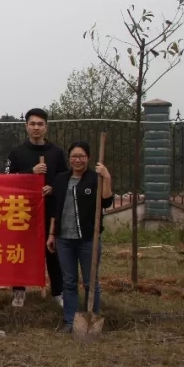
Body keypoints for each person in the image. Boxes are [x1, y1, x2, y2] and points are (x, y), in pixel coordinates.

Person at [5, 108, 69, 308]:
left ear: (46, 127)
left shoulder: (56, 152)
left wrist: (53, 187)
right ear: (26, 126)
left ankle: (58, 292)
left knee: (52, 250)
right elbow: (8, 180)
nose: (36, 128)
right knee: (20, 250)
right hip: (23, 210)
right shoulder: (17, 152)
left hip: (50, 209)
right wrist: (30, 172)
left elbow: (65, 178)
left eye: (40, 124)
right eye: (32, 124)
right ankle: (18, 291)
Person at [47, 142, 113, 333]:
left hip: (88, 239)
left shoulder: (94, 178)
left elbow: (106, 201)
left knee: (90, 282)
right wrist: (52, 234)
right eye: (74, 156)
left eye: (81, 156)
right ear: (69, 159)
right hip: (64, 239)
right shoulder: (61, 179)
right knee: (69, 281)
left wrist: (107, 177)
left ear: (88, 158)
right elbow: (56, 210)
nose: (77, 160)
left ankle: (92, 317)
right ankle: (70, 320)